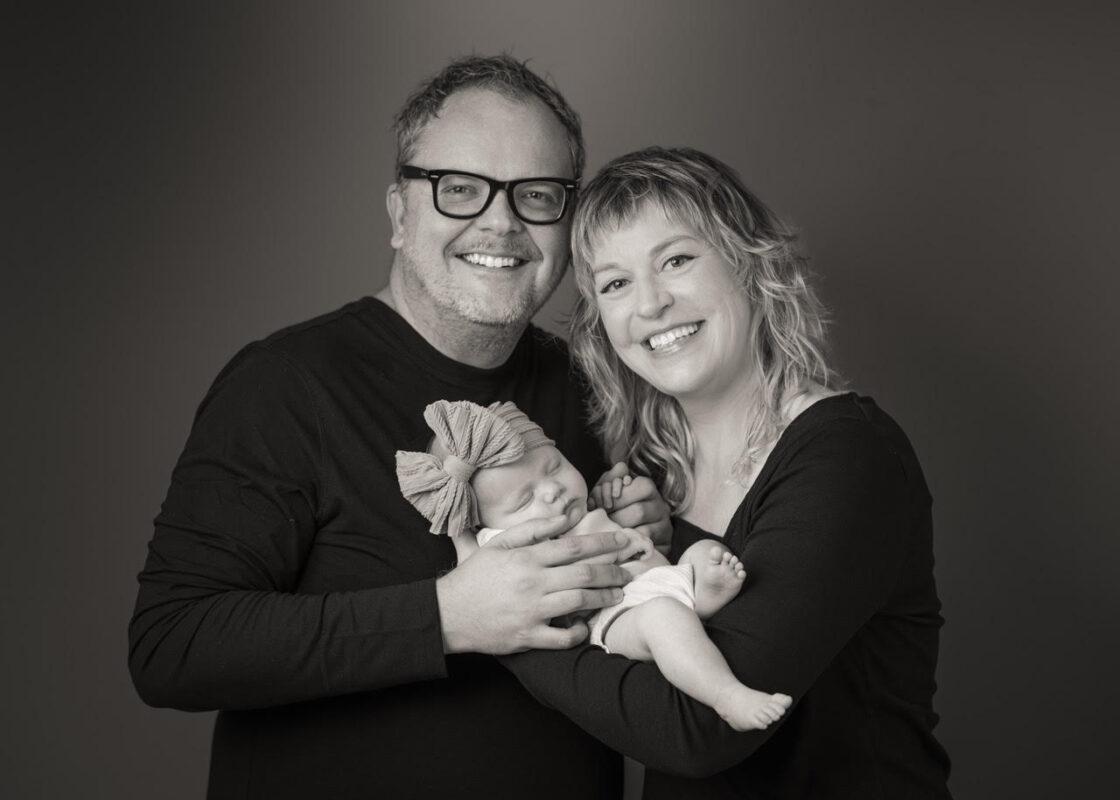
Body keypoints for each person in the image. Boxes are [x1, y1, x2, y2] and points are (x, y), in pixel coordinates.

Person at [128, 56, 670, 800]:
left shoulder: (593, 380)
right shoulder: (285, 385)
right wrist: (446, 616)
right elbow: (173, 645)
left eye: (537, 194)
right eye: (460, 189)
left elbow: (632, 627)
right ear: (398, 213)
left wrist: (642, 538)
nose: (501, 222)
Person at [502, 147, 952, 798]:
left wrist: (507, 630)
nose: (650, 303)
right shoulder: (640, 481)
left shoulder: (849, 457)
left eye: (677, 260)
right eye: (616, 283)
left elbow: (699, 729)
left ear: (749, 262)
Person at [395, 398, 793, 732]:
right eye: (523, 501)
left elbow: (623, 516)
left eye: (553, 467)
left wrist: (611, 493)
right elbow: (477, 573)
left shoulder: (585, 504)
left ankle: (701, 594)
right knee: (663, 619)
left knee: (705, 552)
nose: (553, 491)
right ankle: (726, 695)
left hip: (661, 576)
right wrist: (461, 537)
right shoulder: (506, 551)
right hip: (617, 617)